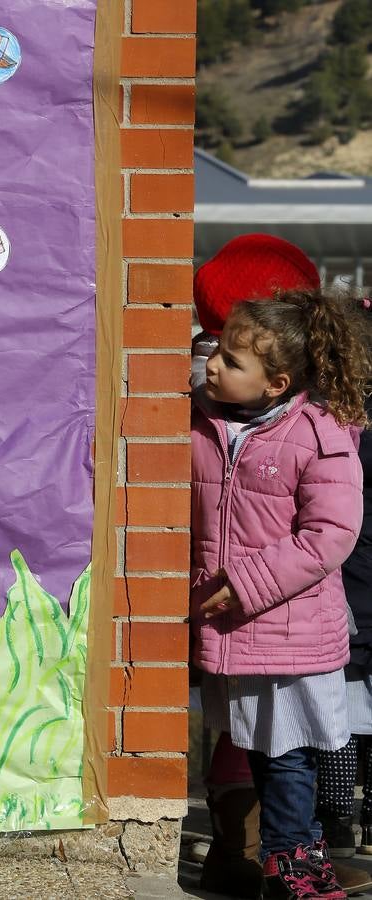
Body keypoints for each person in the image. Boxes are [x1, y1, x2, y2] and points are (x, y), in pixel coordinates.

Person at [192, 288, 370, 899]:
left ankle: (291, 860)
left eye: (233, 361)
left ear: (277, 383)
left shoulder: (319, 434)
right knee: (255, 746)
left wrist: (246, 585)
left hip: (287, 624)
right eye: (216, 350)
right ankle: (270, 855)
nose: (213, 364)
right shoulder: (202, 422)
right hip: (232, 626)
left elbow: (330, 535)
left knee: (287, 753)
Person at [315, 299, 372, 859]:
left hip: (347, 576)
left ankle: (336, 822)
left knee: (341, 713)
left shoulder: (326, 413)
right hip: (355, 574)